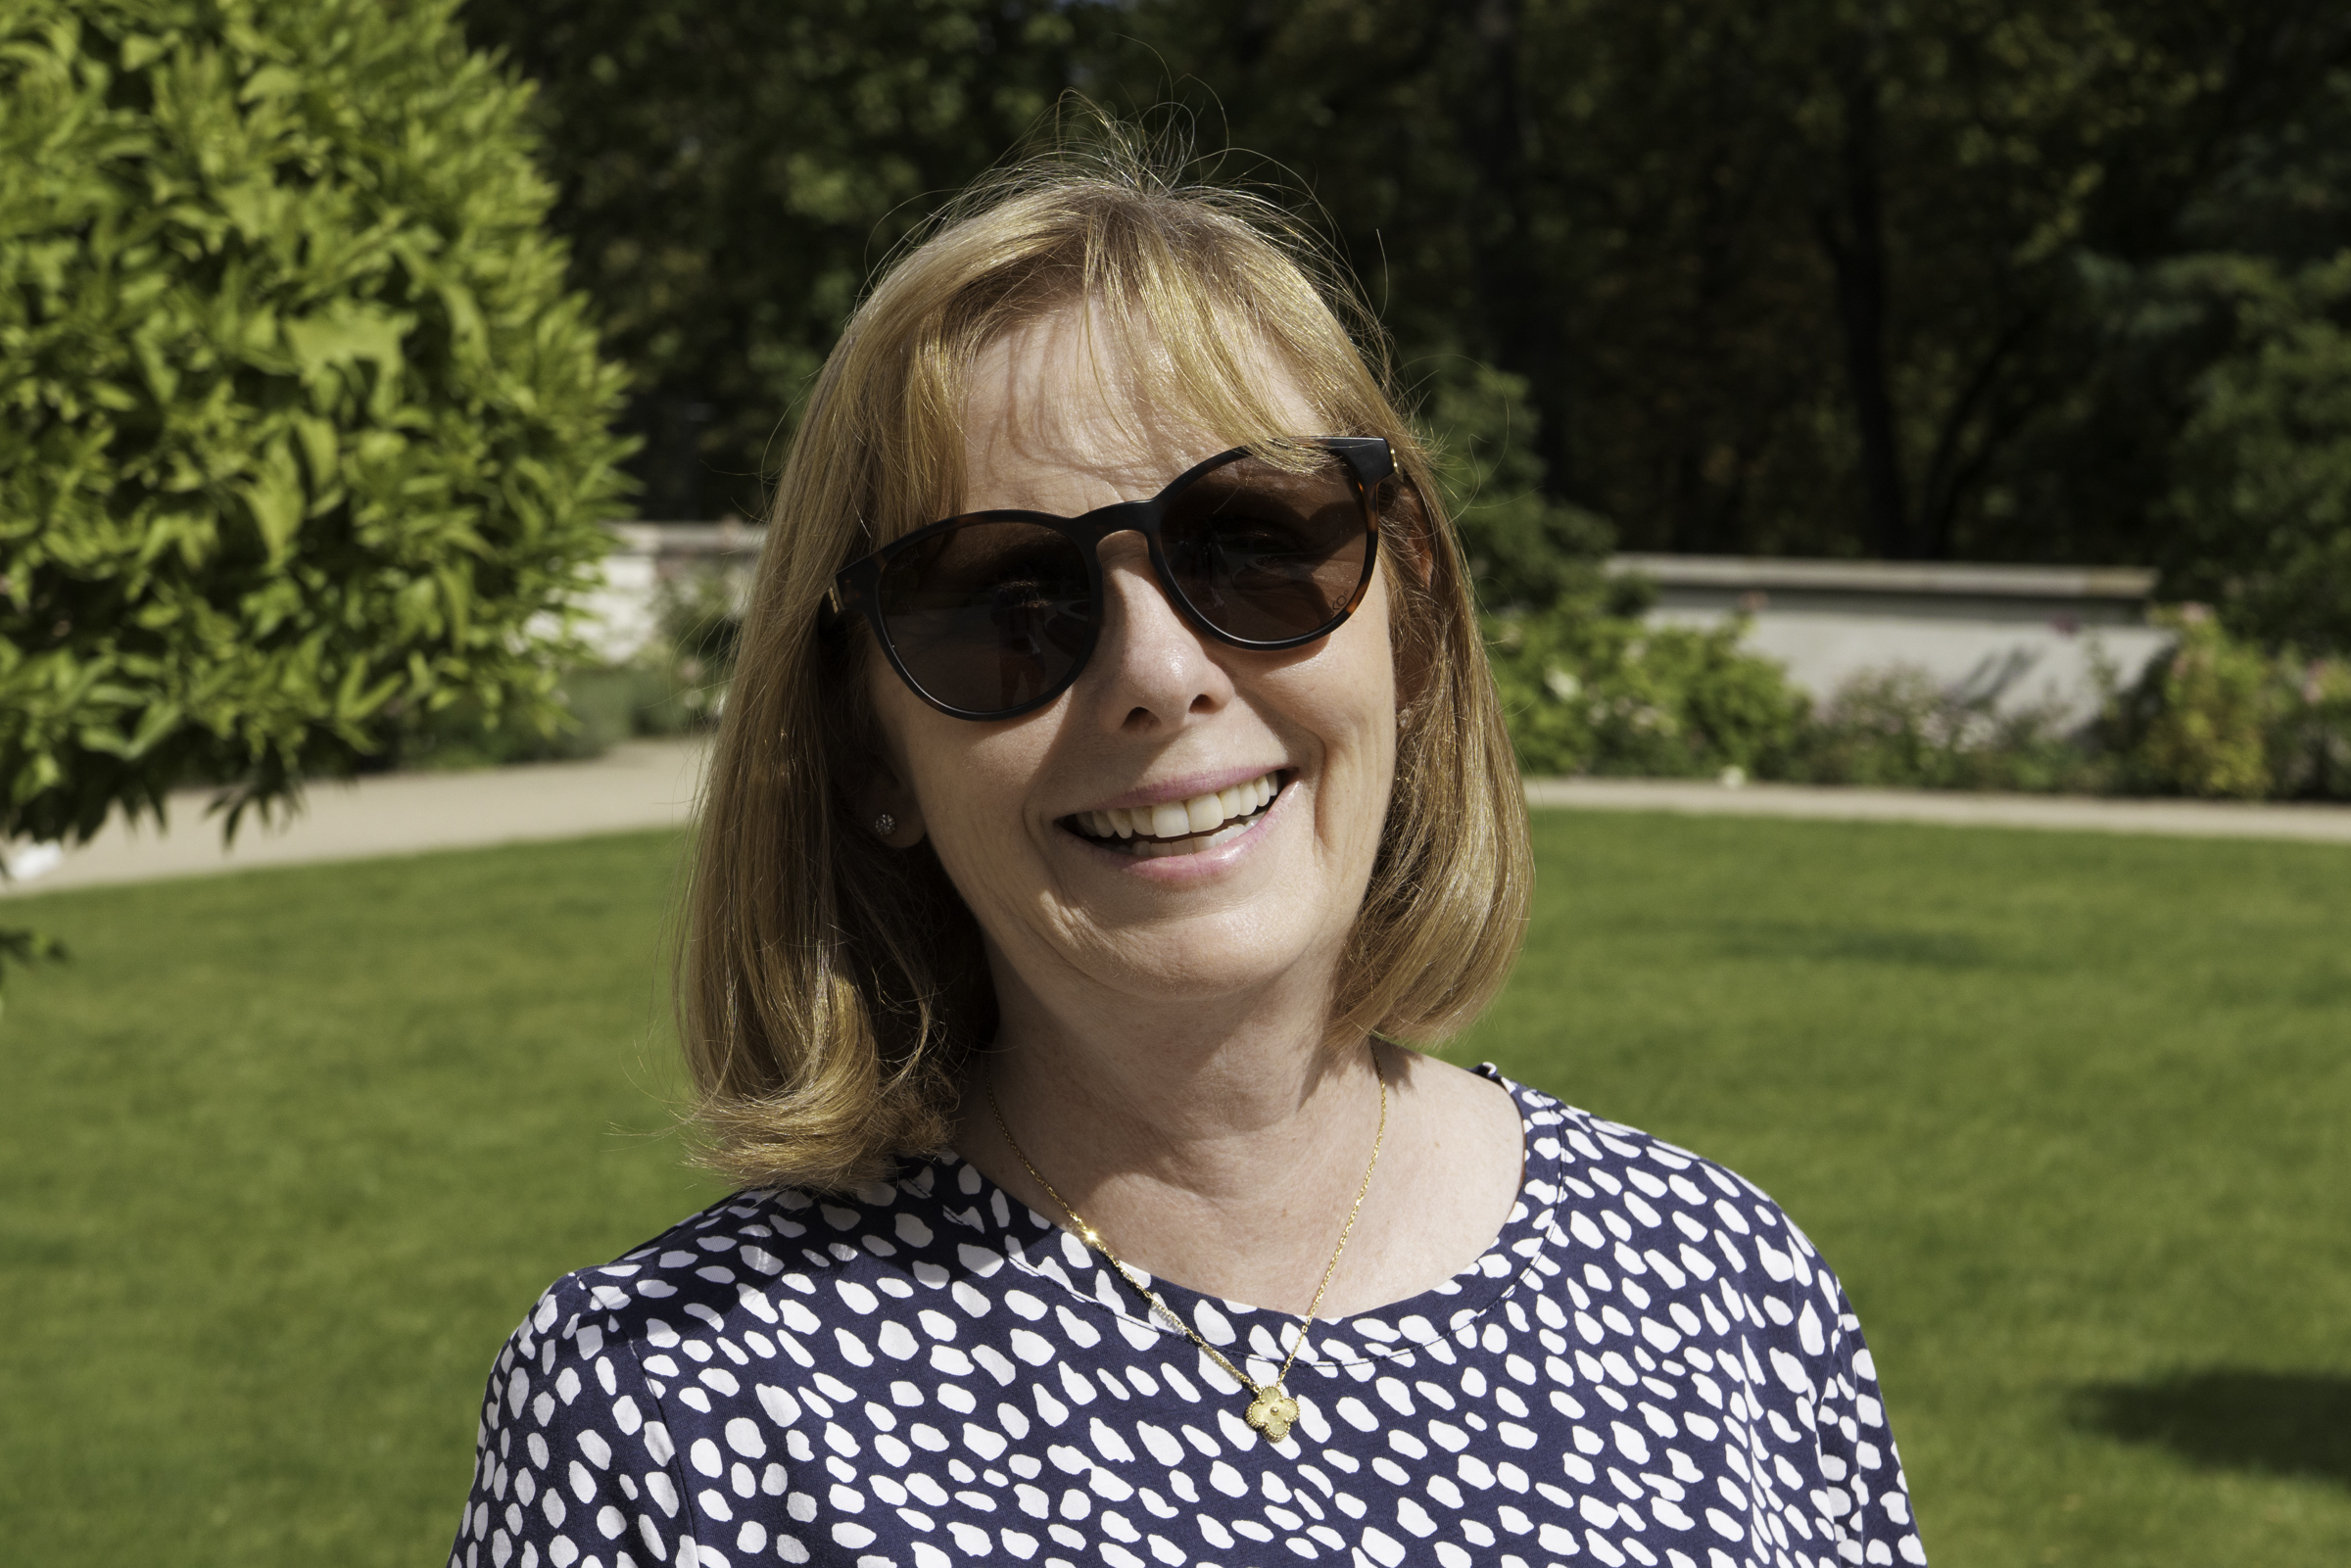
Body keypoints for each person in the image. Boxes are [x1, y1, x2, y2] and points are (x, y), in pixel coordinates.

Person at [450, 143, 1926, 1568]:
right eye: (1004, 596)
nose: (1161, 670)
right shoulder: (663, 1407)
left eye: (1254, 541)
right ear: (867, 751)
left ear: (1407, 622)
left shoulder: (1719, 1283)